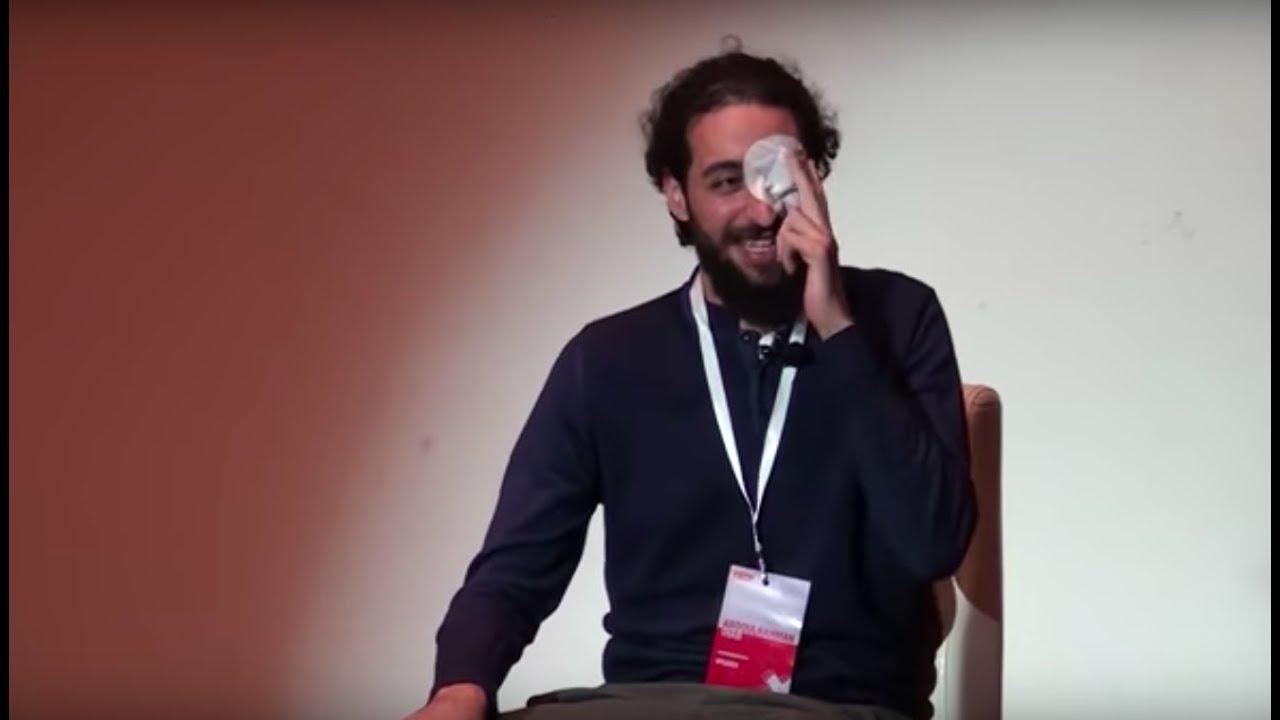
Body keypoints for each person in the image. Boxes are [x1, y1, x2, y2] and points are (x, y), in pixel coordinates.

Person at [407, 43, 976, 720]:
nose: (762, 212)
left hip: (838, 704)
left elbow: (932, 543)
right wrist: (459, 689)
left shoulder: (899, 319)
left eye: (781, 178)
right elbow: (515, 567)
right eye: (728, 182)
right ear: (677, 194)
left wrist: (837, 326)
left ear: (816, 178)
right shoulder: (608, 359)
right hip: (646, 703)